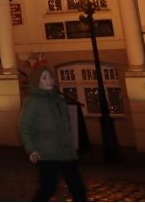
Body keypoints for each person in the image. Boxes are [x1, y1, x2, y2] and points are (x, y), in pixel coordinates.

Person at [19, 65, 87, 202]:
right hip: (47, 153)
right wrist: (31, 150)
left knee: (78, 189)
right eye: (44, 77)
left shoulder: (60, 100)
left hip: (66, 153)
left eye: (50, 76)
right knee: (48, 188)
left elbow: (65, 126)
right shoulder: (31, 101)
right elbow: (24, 127)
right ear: (38, 82)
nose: (50, 80)